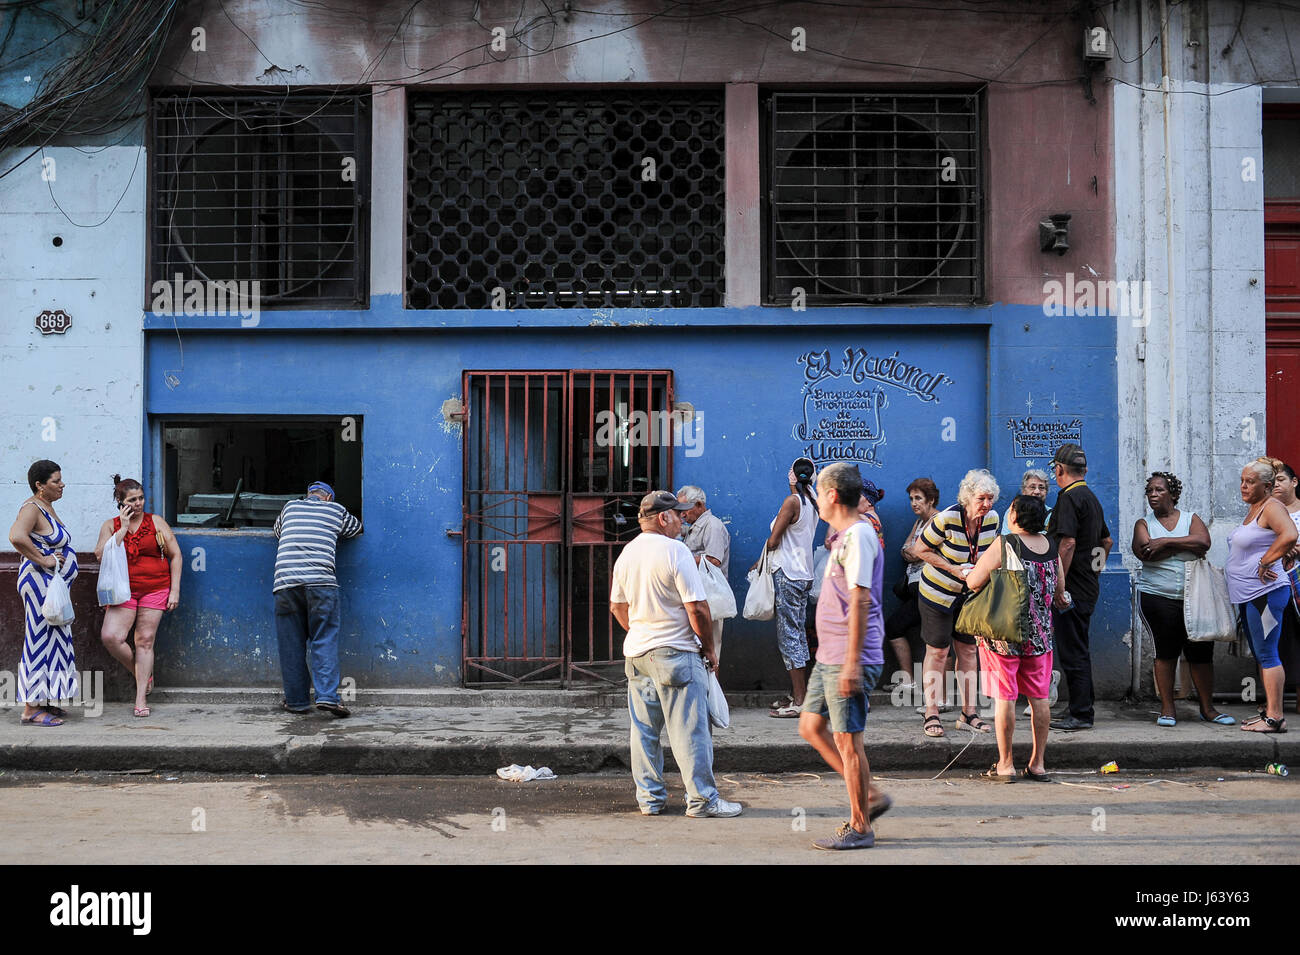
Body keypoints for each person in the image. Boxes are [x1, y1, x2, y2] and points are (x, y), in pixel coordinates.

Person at [610, 490, 740, 818]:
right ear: (664, 518)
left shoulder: (627, 554)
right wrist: (709, 650)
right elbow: (697, 607)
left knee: (644, 731)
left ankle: (650, 801)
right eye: (678, 516)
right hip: (677, 654)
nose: (682, 521)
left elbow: (617, 606)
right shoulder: (675, 551)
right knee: (689, 731)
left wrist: (641, 631)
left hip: (638, 655)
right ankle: (703, 801)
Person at [797, 463, 891, 849]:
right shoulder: (844, 537)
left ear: (833, 495)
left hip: (849, 657)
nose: (816, 500)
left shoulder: (859, 537)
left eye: (819, 492)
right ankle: (869, 796)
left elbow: (860, 600)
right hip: (830, 654)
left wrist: (851, 663)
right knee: (810, 727)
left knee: (848, 741)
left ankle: (860, 826)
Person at [966, 495, 1064, 780]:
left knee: (1005, 699)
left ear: (1015, 516)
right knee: (1039, 698)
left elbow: (973, 582)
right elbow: (1059, 588)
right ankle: (1038, 763)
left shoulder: (1005, 544)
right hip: (1040, 638)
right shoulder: (1050, 547)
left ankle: (1006, 764)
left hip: (1004, 637)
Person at [1131, 472, 1232, 726]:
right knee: (1165, 652)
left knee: (1201, 652)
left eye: (1159, 490)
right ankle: (1167, 708)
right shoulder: (1143, 523)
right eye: (1150, 491)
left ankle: (1208, 708)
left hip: (1195, 596)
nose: (1153, 495)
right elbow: (1146, 553)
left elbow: (1204, 542)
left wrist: (1164, 542)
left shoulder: (1190, 518)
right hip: (1157, 596)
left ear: (1173, 494)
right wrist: (1185, 546)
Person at [914, 468, 1001, 738]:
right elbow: (920, 549)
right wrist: (955, 569)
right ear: (967, 498)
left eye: (990, 499)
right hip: (937, 594)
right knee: (938, 652)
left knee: (968, 652)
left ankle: (969, 713)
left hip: (969, 595)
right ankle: (931, 712)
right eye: (981, 499)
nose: (986, 505)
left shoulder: (992, 519)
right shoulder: (946, 519)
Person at [93, 476, 182, 718]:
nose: (139, 503)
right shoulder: (110, 526)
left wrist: (174, 590)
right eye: (132, 500)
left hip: (156, 588)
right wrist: (122, 529)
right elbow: (100, 555)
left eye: (141, 498)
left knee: (144, 640)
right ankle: (140, 672)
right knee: (111, 636)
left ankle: (140, 698)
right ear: (120, 502)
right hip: (122, 590)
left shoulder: (156, 522)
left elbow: (176, 555)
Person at [272, 481, 362, 718]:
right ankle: (327, 697)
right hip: (321, 583)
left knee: (291, 645)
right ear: (328, 498)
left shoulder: (289, 508)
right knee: (324, 639)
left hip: (285, 583)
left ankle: (297, 701)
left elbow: (277, 532)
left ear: (308, 496)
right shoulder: (336, 510)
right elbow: (356, 529)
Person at [1225, 459, 1298, 733]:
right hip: (1250, 596)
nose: (1244, 486)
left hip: (1266, 594)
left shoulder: (1273, 507)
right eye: (1242, 481)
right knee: (1261, 653)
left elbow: (1289, 534)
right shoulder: (1255, 509)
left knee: (1268, 654)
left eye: (1250, 482)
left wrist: (1267, 561)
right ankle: (1269, 712)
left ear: (1267, 486)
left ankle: (1276, 718)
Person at [1046, 443, 1112, 731]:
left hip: (1071, 589)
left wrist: (1060, 587)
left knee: (1073, 651)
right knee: (1078, 649)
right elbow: (1106, 541)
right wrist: (1092, 572)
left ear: (1059, 470)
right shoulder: (1091, 498)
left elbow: (1068, 542)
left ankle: (1082, 714)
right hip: (1086, 586)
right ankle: (1080, 707)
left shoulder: (1069, 498)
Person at [8, 460, 78, 727]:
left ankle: (45, 700)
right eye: (56, 481)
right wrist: (44, 560)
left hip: (52, 585)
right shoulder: (31, 508)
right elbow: (16, 536)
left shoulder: (47, 507)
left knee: (55, 641)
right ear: (40, 485)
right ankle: (30, 709)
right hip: (39, 583)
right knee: (38, 642)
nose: (62, 485)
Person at [754, 457, 820, 718]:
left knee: (789, 637)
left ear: (791, 476)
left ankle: (801, 699)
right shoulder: (813, 500)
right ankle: (800, 694)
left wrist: (760, 561)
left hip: (789, 574)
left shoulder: (792, 502)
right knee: (798, 634)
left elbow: (774, 540)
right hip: (805, 574)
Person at [887, 477, 940, 694]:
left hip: (928, 588)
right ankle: (911, 681)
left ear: (931, 500)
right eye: (911, 499)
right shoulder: (919, 523)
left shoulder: (939, 521)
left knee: (895, 627)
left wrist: (915, 552)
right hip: (913, 585)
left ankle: (916, 684)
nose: (914, 503)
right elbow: (905, 549)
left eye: (918, 498)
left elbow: (920, 551)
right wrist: (915, 552)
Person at [677, 485, 731, 662]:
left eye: (686, 509)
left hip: (710, 597)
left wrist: (684, 558)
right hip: (699, 595)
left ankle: (712, 690)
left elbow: (714, 560)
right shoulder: (695, 526)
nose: (682, 514)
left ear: (699, 504)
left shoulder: (712, 525)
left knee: (711, 650)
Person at [1270, 460, 1300, 711]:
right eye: (1272, 481)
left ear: (1294, 482)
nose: (1276, 485)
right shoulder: (1267, 513)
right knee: (1278, 638)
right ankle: (1273, 702)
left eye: (1281, 480)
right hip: (1275, 582)